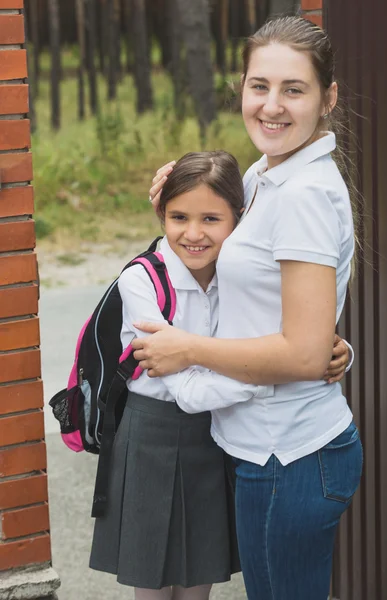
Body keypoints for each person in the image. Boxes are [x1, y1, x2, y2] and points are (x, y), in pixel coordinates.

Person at [131, 16, 362, 600]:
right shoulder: (267, 174)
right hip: (270, 449)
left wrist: (188, 349)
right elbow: (272, 297)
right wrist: (183, 199)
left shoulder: (304, 194)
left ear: (327, 97)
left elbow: (304, 352)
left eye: (294, 89)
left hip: (289, 455)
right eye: (260, 86)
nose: (272, 106)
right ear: (241, 88)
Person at [89, 150, 350, 600]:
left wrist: (328, 350)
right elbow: (188, 392)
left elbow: (289, 330)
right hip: (152, 430)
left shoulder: (236, 274)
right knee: (151, 581)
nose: (193, 234)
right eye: (178, 217)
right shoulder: (142, 281)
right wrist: (281, 371)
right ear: (160, 213)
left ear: (240, 218)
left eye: (211, 218)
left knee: (197, 583)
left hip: (214, 436)